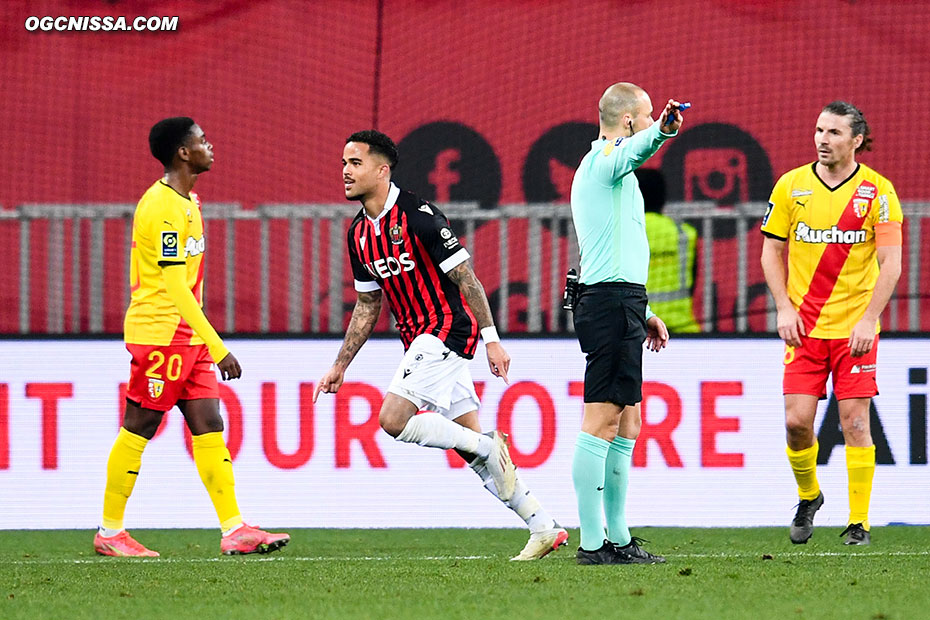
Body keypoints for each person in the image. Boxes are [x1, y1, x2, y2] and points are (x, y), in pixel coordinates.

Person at [315, 130, 568, 561]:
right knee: (471, 447)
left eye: (355, 163)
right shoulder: (358, 233)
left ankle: (492, 445)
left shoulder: (419, 215)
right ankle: (543, 526)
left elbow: (465, 278)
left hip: (447, 328)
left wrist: (492, 340)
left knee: (393, 420)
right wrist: (340, 364)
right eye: (343, 163)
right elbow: (367, 303)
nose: (345, 171)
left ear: (382, 169)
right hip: (417, 338)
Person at [95, 117, 290, 557]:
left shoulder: (188, 201)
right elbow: (174, 287)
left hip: (188, 337)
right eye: (202, 140)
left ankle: (234, 528)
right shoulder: (161, 206)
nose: (210, 145)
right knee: (139, 425)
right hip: (162, 334)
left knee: (209, 426)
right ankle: (110, 532)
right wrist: (218, 346)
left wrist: (203, 343)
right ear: (183, 153)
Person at [761, 101, 903, 546]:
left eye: (834, 132)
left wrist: (868, 320)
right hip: (803, 327)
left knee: (855, 423)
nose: (823, 139)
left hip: (854, 332)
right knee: (797, 423)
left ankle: (858, 523)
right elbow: (771, 251)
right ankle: (809, 496)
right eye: (819, 130)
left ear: (856, 140)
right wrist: (783, 307)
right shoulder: (791, 186)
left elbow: (892, 263)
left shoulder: (878, 192)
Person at [568, 82, 679, 565]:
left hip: (624, 301)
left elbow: (618, 250)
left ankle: (617, 537)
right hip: (610, 303)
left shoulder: (614, 173)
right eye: (648, 114)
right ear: (631, 120)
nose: (653, 119)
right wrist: (663, 131)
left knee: (627, 420)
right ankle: (593, 543)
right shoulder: (605, 160)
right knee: (602, 419)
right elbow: (631, 149)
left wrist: (646, 311)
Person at [637, 168, 701, 333]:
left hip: (636, 329)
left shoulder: (621, 232)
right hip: (682, 330)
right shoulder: (685, 233)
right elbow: (692, 281)